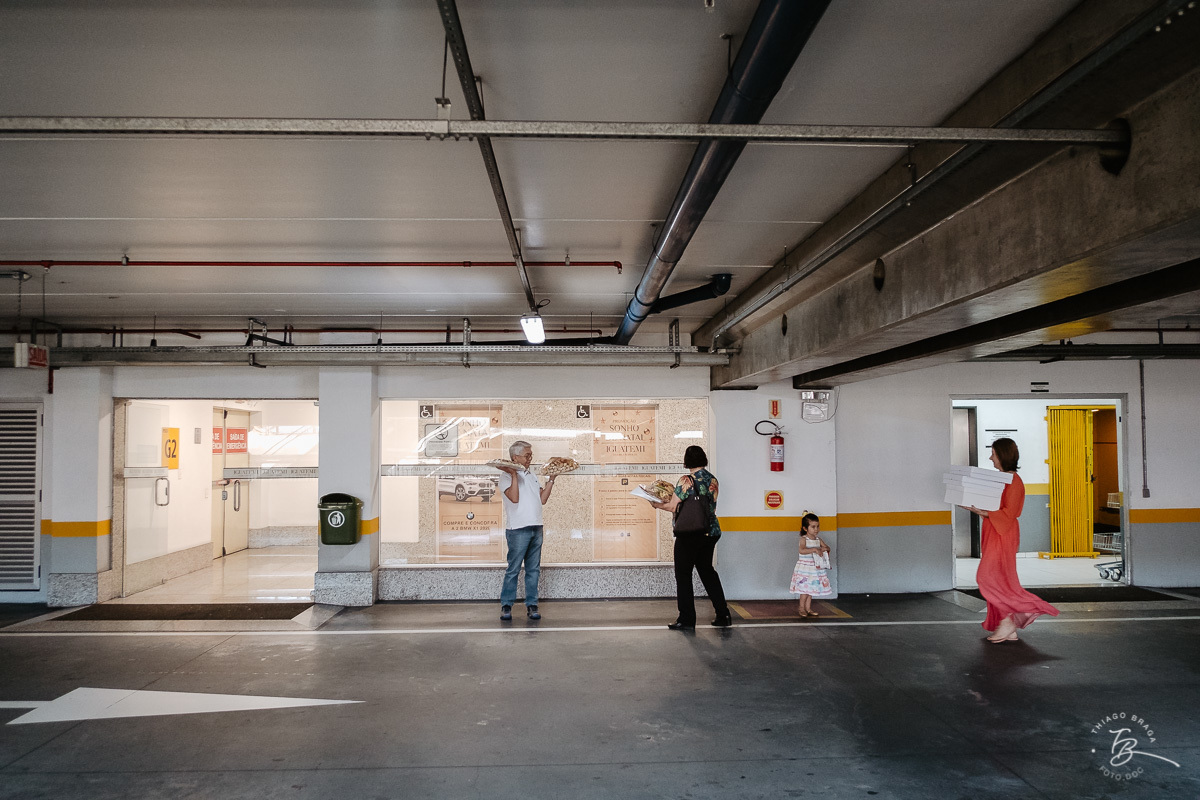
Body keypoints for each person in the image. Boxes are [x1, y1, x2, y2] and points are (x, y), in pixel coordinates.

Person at [961, 437, 1059, 642]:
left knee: (987, 577)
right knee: (998, 578)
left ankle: (1007, 619)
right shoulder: (1001, 479)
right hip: (994, 531)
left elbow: (1011, 512)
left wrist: (982, 511)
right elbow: (993, 508)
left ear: (1003, 455)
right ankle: (1008, 625)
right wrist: (975, 506)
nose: (990, 458)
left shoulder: (1013, 480)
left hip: (1002, 533)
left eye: (993, 454)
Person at [648, 445, 731, 630]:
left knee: (683, 575)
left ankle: (686, 619)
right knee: (707, 572)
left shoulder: (686, 480)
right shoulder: (713, 480)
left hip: (689, 534)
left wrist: (656, 504)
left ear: (686, 461)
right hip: (710, 532)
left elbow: (672, 506)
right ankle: (723, 614)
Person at [495, 440, 556, 621]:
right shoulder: (505, 477)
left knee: (533, 569)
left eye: (531, 455)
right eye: (527, 455)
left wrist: (552, 479)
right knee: (513, 569)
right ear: (516, 457)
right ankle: (506, 605)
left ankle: (532, 605)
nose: (530, 458)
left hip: (536, 527)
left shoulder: (531, 475)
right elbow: (514, 498)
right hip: (518, 529)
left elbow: (542, 499)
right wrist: (514, 474)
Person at [790, 512, 833, 617]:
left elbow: (827, 548)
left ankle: (808, 608)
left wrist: (824, 548)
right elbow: (802, 550)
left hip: (815, 569)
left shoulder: (818, 540)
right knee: (805, 590)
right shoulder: (804, 539)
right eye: (813, 527)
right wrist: (814, 549)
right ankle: (801, 608)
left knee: (811, 590)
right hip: (805, 569)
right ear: (805, 528)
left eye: (817, 526)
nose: (816, 529)